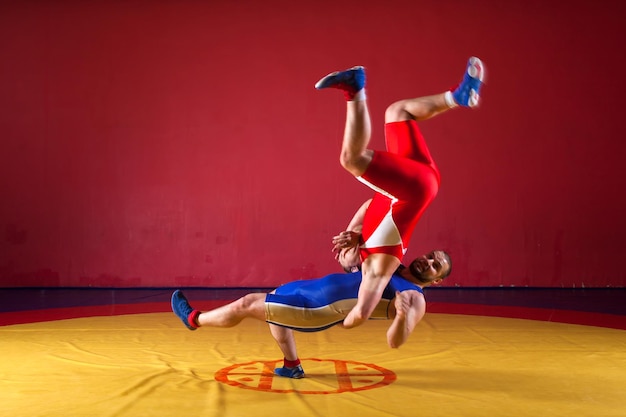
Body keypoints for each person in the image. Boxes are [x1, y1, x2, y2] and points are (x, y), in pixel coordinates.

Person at [315, 57, 485, 328]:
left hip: (422, 180)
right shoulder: (383, 263)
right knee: (351, 159)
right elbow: (361, 313)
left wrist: (356, 234)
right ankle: (353, 89)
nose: (426, 261)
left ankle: (457, 96)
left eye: (431, 262)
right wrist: (336, 321)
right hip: (415, 191)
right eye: (433, 262)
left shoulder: (372, 236)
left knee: (398, 111)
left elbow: (371, 202)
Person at [171, 249, 451, 379]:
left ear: (436, 280)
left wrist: (402, 317)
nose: (427, 262)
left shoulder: (414, 298)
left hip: (316, 310)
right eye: (429, 256)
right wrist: (352, 253)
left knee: (248, 303)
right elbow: (353, 271)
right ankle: (292, 365)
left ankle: (194, 319)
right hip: (308, 292)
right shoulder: (392, 262)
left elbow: (396, 341)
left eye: (435, 266)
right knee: (275, 303)